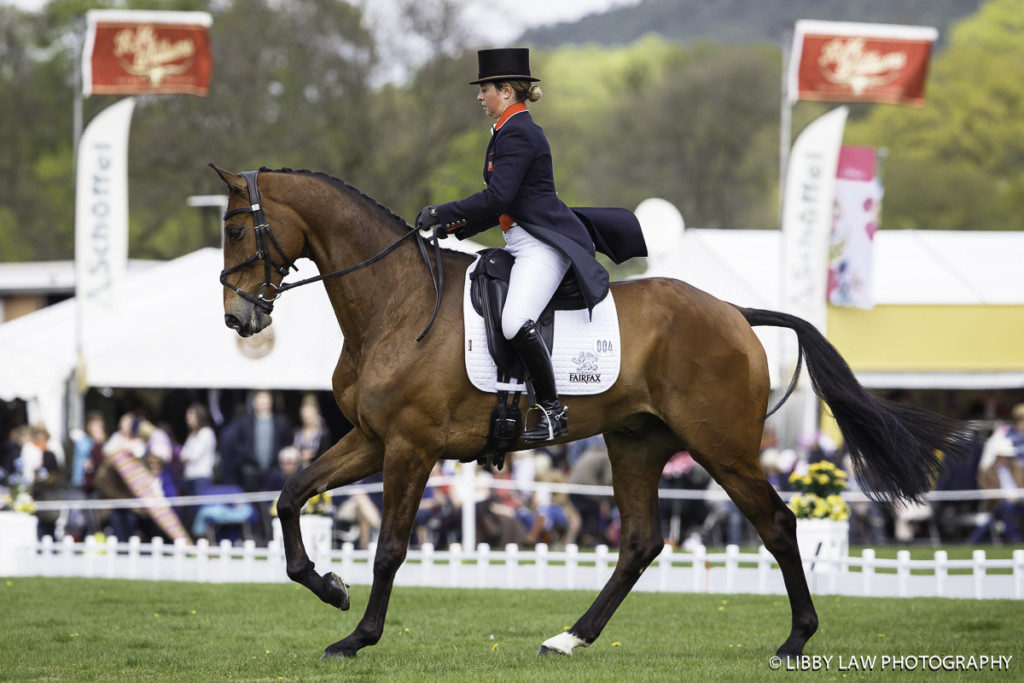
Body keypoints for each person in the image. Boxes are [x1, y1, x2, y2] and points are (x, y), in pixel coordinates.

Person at [415, 47, 646, 442]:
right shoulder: (508, 129)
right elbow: (505, 201)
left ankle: (553, 411)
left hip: (542, 244)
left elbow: (499, 197)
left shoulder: (519, 131)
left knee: (514, 319)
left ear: (505, 90)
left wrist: (442, 212)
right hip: (522, 239)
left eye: (483, 88)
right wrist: (454, 226)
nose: (479, 96)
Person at [220, 390, 292, 492]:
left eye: (265, 398)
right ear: (254, 402)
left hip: (274, 471)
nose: (263, 402)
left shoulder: (280, 422)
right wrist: (247, 458)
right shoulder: (244, 421)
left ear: (271, 402)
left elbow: (287, 442)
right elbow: (236, 444)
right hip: (250, 472)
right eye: (260, 398)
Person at [179, 403, 217, 497]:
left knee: (200, 508)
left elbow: (193, 456)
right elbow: (182, 455)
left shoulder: (207, 433)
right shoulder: (192, 435)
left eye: (191, 415)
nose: (187, 419)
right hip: (189, 476)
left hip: (201, 477)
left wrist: (186, 457)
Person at [293, 394, 331, 466]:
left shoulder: (323, 433)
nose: (306, 419)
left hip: (316, 470)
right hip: (299, 470)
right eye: (305, 417)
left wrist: (312, 455)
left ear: (316, 414)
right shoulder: (297, 432)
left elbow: (326, 454)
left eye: (309, 416)